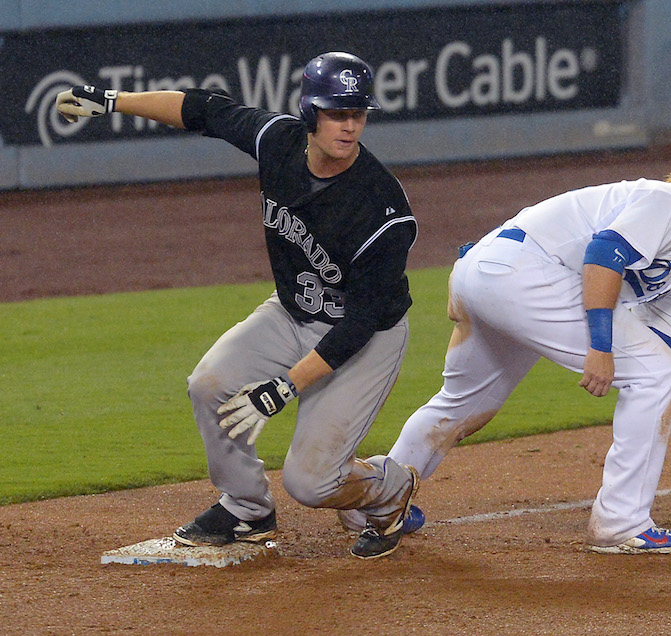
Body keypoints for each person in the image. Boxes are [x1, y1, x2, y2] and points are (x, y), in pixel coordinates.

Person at [56, 52, 423, 560]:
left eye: (357, 113)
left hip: (367, 340)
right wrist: (116, 100)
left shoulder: (381, 209)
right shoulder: (278, 140)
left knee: (311, 482)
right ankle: (247, 507)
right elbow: (202, 108)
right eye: (337, 113)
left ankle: (389, 486)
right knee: (210, 383)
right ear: (309, 114)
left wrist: (284, 386)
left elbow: (360, 322)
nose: (349, 125)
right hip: (291, 311)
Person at [351, 147, 671, 554]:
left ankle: (376, 498)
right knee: (652, 370)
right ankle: (622, 521)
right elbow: (604, 253)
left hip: (488, 272)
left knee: (467, 404)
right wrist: (601, 345)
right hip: (522, 273)